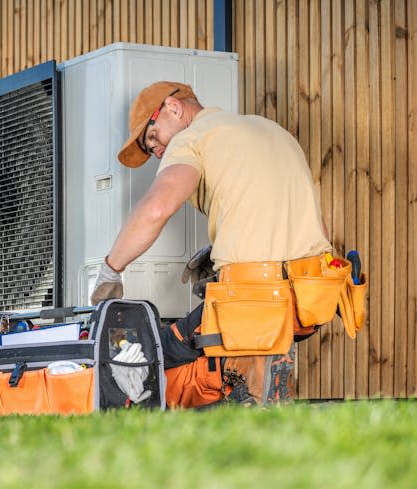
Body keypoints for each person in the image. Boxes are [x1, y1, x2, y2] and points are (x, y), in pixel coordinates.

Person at [90, 81, 339, 408]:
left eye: (153, 138)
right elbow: (312, 225)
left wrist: (111, 269)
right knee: (221, 343)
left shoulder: (191, 138)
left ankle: (242, 386)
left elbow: (156, 209)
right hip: (311, 298)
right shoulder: (270, 130)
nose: (158, 152)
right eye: (152, 150)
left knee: (157, 350)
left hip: (255, 298)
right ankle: (260, 380)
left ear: (173, 108)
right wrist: (227, 246)